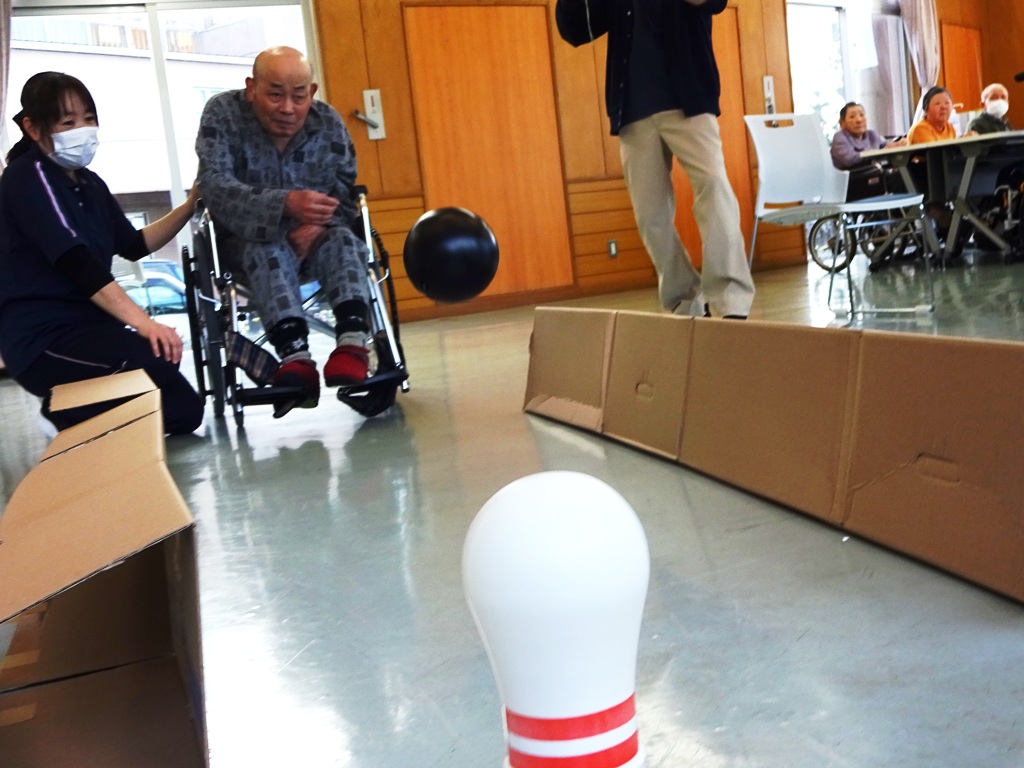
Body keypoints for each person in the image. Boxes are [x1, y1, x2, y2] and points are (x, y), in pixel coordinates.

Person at [0, 72, 204, 435]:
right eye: (68, 122)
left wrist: (190, 206)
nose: (82, 130)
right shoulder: (28, 176)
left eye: (88, 119)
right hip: (43, 338)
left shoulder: (90, 183)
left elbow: (134, 245)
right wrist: (145, 323)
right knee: (148, 365)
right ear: (32, 128)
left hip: (93, 331)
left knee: (185, 411)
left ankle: (80, 412)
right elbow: (76, 262)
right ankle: (61, 411)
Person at [196, 46, 372, 417]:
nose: (287, 108)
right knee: (266, 246)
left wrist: (317, 225)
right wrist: (284, 205)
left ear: (312, 92)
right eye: (275, 94)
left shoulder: (328, 124)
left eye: (299, 96)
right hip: (244, 247)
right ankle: (295, 358)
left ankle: (353, 344)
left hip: (318, 241)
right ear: (251, 88)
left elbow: (344, 191)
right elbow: (213, 184)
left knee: (345, 241)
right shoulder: (222, 114)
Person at [555, 0, 755, 319]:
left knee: (714, 187)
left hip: (689, 98)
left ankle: (731, 300)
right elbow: (576, 30)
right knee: (650, 214)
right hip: (632, 108)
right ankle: (683, 300)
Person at [830, 102, 906, 170]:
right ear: (842, 123)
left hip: (876, 173)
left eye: (862, 115)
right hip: (855, 177)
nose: (859, 120)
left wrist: (899, 144)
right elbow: (850, 160)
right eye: (852, 116)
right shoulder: (840, 137)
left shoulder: (871, 135)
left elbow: (887, 146)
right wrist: (883, 151)